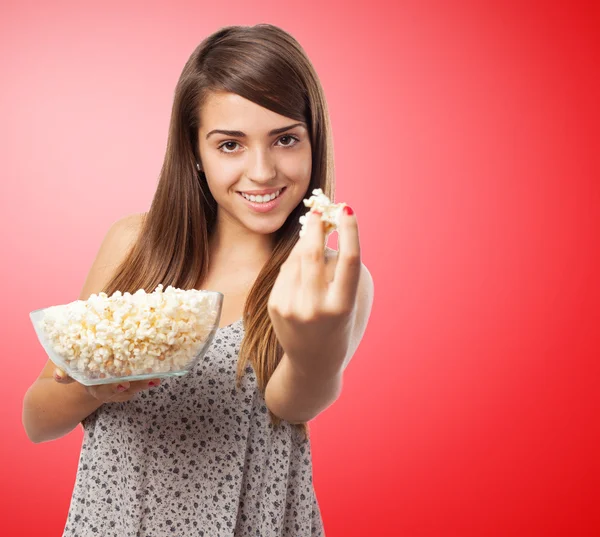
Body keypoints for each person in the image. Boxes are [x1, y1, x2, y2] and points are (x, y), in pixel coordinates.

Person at [22, 23, 374, 537]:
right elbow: (38, 419)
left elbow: (291, 405)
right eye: (230, 145)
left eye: (285, 139)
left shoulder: (329, 278)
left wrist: (316, 354)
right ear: (195, 152)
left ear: (314, 141)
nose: (262, 171)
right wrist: (100, 383)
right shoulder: (132, 245)